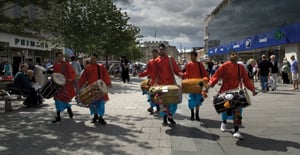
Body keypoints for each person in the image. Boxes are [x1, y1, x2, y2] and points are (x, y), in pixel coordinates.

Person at [205, 51, 257, 139]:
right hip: (225, 92)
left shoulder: (241, 67)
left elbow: (246, 80)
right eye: (233, 54)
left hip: (237, 92)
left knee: (238, 111)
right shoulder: (225, 66)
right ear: (229, 56)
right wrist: (209, 85)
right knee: (225, 109)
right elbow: (216, 76)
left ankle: (236, 130)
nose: (235, 55)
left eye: (236, 54)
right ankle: (224, 122)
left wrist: (252, 90)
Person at [152, 43, 183, 126]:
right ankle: (165, 119)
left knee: (173, 102)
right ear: (158, 50)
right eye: (160, 49)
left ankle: (170, 116)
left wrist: (181, 74)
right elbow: (155, 74)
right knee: (163, 102)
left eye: (162, 49)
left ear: (165, 50)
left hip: (171, 84)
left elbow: (176, 69)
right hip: (162, 85)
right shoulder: (156, 61)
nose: (161, 50)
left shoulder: (170, 59)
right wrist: (153, 84)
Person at [78, 54, 112, 125]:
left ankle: (101, 117)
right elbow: (83, 78)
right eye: (92, 58)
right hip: (91, 89)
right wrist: (80, 86)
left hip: (100, 88)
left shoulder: (101, 67)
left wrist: (108, 83)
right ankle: (95, 116)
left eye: (94, 58)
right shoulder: (87, 68)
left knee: (101, 103)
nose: (93, 60)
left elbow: (105, 75)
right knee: (92, 104)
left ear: (96, 59)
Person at [183, 51, 209, 121]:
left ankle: (197, 114)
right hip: (191, 85)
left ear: (195, 56)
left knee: (198, 100)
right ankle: (192, 114)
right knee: (191, 100)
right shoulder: (188, 65)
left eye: (192, 56)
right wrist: (181, 75)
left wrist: (206, 81)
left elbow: (205, 73)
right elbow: (187, 74)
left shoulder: (200, 64)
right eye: (190, 56)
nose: (191, 57)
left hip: (198, 85)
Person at [51, 51, 76, 123]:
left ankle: (68, 108)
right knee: (57, 100)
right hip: (57, 86)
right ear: (56, 57)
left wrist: (71, 78)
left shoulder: (66, 65)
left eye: (61, 56)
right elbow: (54, 74)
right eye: (58, 56)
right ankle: (58, 116)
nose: (60, 58)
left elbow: (73, 73)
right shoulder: (55, 65)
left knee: (64, 99)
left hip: (65, 86)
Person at [138, 49, 160, 114]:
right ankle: (152, 107)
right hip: (152, 81)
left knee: (158, 94)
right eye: (153, 53)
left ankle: (158, 107)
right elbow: (147, 71)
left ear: (157, 53)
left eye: (155, 53)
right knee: (151, 94)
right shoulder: (150, 62)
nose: (154, 54)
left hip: (160, 81)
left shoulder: (160, 61)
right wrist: (141, 74)